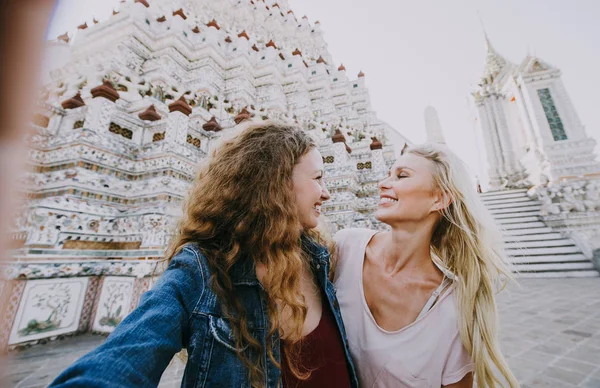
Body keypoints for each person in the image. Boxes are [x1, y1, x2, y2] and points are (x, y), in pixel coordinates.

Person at [50, 122, 358, 388]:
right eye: (317, 178)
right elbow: (124, 356)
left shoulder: (321, 259)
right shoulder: (204, 269)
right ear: (275, 184)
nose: (326, 192)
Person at [333, 143, 519, 388]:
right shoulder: (345, 247)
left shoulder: (451, 310)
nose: (383, 184)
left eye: (401, 176)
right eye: (389, 174)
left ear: (439, 199)